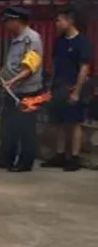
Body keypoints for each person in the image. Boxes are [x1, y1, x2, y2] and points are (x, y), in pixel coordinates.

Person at [0, 6, 45, 172]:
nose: (5, 25)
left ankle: (25, 163)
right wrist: (4, 78)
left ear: (17, 21)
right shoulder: (16, 38)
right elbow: (13, 65)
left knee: (26, 128)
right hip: (13, 90)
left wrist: (13, 81)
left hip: (27, 91)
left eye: (7, 21)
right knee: (8, 127)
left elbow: (30, 67)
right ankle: (5, 159)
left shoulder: (32, 39)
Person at [41, 9, 91, 172]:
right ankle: (60, 154)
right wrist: (50, 87)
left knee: (74, 123)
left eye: (59, 20)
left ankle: (74, 157)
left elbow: (84, 68)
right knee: (59, 122)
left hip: (72, 86)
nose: (57, 23)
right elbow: (55, 65)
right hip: (59, 86)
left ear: (69, 21)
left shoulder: (82, 42)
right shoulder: (60, 41)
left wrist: (77, 91)